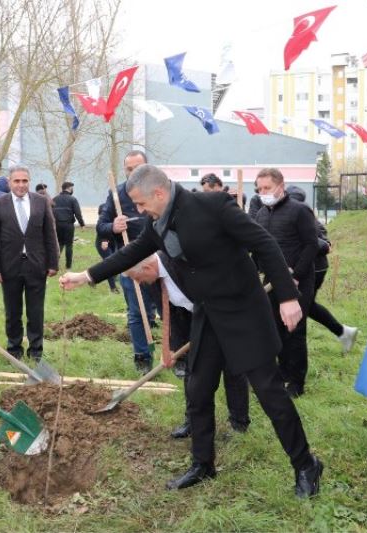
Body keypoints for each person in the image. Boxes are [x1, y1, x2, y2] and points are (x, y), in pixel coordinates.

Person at [60, 164, 323, 497]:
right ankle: (203, 464)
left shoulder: (214, 206)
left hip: (243, 312)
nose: (140, 211)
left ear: (159, 192)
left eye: (141, 204)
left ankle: (305, 465)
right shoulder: (159, 222)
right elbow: (132, 252)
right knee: (197, 390)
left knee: (270, 393)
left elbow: (265, 244)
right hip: (208, 314)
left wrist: (287, 296)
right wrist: (87, 275)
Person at [127, 252, 250, 438]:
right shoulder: (152, 282)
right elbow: (167, 313)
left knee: (232, 368)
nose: (141, 283)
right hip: (192, 317)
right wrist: (171, 347)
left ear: (147, 268)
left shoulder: (180, 259)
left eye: (139, 278)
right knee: (192, 371)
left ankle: (238, 423)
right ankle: (193, 421)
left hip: (224, 312)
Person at [252, 169, 318, 397]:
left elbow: (312, 245)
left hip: (299, 281)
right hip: (271, 282)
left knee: (295, 331)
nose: (263, 193)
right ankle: (282, 373)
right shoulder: (261, 214)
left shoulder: (300, 211)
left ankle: (297, 381)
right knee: (275, 329)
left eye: (267, 188)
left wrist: (296, 274)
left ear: (281, 186)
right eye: (259, 189)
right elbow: (259, 250)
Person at [0, 165, 59, 362]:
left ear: (29, 181)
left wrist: (53, 262)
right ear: (9, 182)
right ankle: (14, 349)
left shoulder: (41, 202)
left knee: (36, 311)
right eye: (17, 181)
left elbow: (50, 233)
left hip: (36, 265)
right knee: (13, 311)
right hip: (9, 266)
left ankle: (36, 350)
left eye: (24, 181)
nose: (21, 185)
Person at [96, 150, 157, 374]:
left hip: (162, 260)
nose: (133, 173)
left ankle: (178, 355)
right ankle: (142, 355)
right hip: (131, 260)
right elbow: (101, 226)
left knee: (166, 308)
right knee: (136, 310)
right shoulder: (116, 194)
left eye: (137, 168)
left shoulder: (161, 189)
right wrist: (113, 226)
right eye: (129, 169)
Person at [284, 185, 357, 354]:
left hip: (314, 269)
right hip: (305, 268)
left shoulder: (306, 217)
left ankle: (342, 332)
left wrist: (320, 244)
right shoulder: (293, 215)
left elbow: (324, 244)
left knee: (302, 307)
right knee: (306, 306)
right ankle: (343, 332)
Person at [52, 181, 85, 269]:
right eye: (72, 188)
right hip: (68, 225)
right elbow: (78, 213)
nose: (73, 189)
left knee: (59, 244)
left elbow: (50, 213)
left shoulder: (54, 199)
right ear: (69, 188)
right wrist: (82, 224)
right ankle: (68, 266)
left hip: (57, 225)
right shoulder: (72, 199)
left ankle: (54, 264)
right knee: (69, 245)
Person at [94, 204, 119, 294]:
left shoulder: (115, 211)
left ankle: (93, 277)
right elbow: (100, 229)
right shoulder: (103, 212)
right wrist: (104, 240)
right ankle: (113, 288)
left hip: (113, 242)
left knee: (115, 263)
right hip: (103, 243)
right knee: (110, 264)